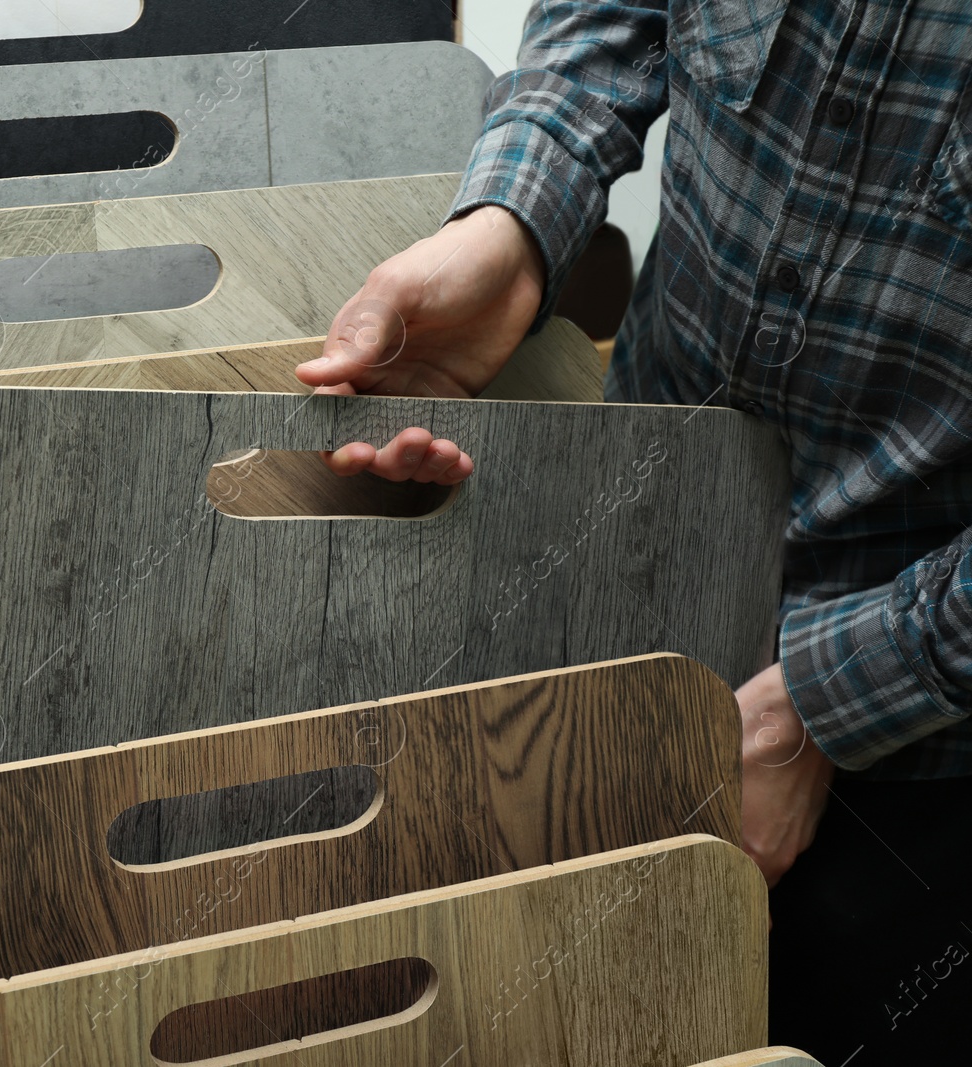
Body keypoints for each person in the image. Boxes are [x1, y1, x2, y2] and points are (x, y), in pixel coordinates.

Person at [298, 1, 972, 1058]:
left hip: (921, 756)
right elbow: (611, 18)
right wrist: (510, 231)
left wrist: (829, 700)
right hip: (636, 569)